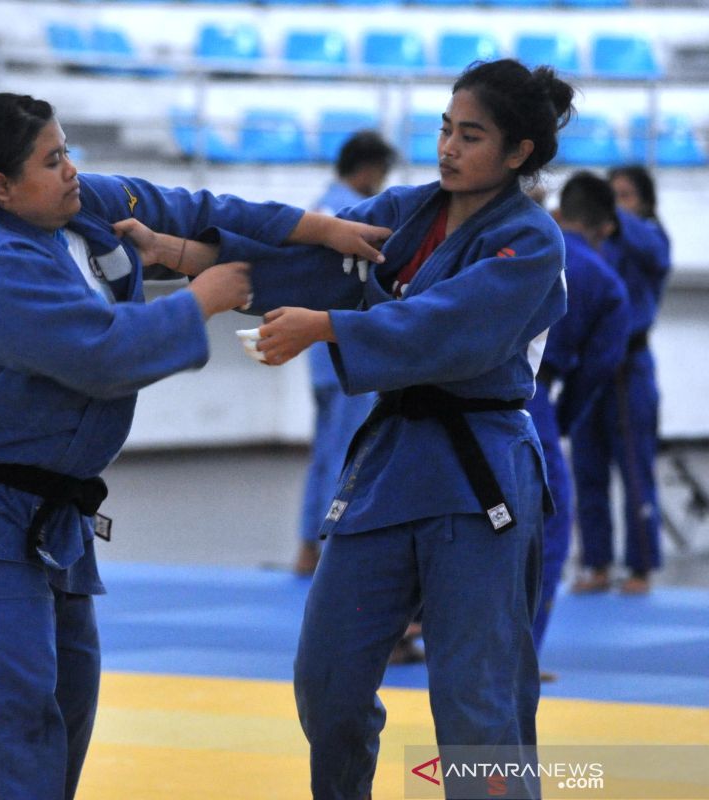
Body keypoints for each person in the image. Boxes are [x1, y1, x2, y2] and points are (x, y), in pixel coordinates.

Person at [0, 93, 390, 800]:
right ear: (1, 188)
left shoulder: (76, 207)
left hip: (46, 511)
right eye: (51, 161)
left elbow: (196, 206)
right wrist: (201, 298)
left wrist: (318, 227)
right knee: (3, 724)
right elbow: (104, 351)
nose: (70, 170)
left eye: (67, 150)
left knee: (65, 703)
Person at [137, 59, 573, 798]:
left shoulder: (530, 244)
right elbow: (310, 260)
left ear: (518, 152)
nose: (448, 148)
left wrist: (330, 326)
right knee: (327, 683)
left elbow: (450, 327)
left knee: (476, 705)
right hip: (392, 464)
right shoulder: (408, 212)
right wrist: (179, 254)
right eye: (445, 128)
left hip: (479, 478)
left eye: (471, 136)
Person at [528, 172, 629, 670]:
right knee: (548, 526)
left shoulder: (521, 241)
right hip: (532, 396)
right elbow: (598, 369)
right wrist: (562, 420)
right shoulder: (606, 282)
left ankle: (411, 627)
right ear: (606, 226)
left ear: (562, 212)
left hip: (458, 386)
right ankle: (520, 657)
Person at [297, 130, 397, 578]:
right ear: (369, 169)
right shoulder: (355, 216)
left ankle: (306, 547)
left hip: (319, 351)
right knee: (347, 453)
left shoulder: (319, 208)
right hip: (348, 349)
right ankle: (330, 550)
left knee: (324, 451)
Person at [569, 164, 671, 595]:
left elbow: (654, 253)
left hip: (630, 369)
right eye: (611, 195)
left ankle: (640, 567)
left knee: (634, 469)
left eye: (625, 195)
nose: (617, 203)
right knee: (587, 468)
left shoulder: (649, 238)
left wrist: (604, 205)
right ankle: (596, 563)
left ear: (644, 202)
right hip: (587, 368)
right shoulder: (595, 245)